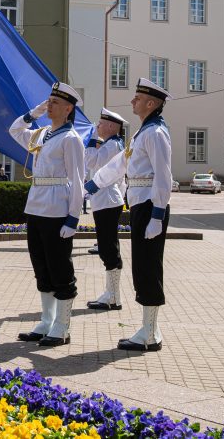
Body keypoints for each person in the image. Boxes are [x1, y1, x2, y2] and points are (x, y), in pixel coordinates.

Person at [87, 77, 172, 352]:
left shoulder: (156, 133)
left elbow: (164, 175)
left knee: (148, 267)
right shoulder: (142, 133)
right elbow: (118, 164)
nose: (133, 101)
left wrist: (158, 213)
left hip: (149, 205)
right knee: (141, 266)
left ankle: (150, 333)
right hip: (140, 204)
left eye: (138, 98)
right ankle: (149, 330)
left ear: (150, 103)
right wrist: (92, 184)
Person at [10, 82, 86, 347]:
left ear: (68, 109)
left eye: (54, 102)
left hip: (57, 208)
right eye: (49, 101)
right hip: (37, 206)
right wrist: (34, 112)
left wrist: (73, 217)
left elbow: (77, 179)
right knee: (41, 266)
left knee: (59, 267)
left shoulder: (71, 139)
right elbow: (15, 130)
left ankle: (62, 326)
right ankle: (46, 320)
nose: (49, 105)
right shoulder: (42, 134)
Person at [85, 109, 128, 311]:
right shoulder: (113, 144)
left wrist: (92, 138)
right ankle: (112, 294)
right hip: (106, 199)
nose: (98, 127)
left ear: (111, 126)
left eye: (100, 124)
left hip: (107, 200)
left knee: (108, 247)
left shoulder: (111, 145)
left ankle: (112, 296)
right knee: (108, 246)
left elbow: (91, 161)